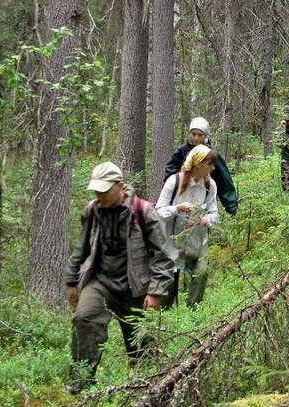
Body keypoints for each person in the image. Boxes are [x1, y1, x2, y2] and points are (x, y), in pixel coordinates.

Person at [65, 162, 175, 394]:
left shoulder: (144, 212)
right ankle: (82, 381)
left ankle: (146, 385)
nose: (99, 195)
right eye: (96, 190)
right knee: (84, 319)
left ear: (120, 186)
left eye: (104, 190)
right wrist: (71, 282)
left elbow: (163, 257)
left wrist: (155, 292)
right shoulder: (92, 211)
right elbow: (80, 249)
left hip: (136, 288)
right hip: (101, 283)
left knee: (141, 345)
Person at [156, 144, 219, 308]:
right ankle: (167, 319)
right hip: (172, 240)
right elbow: (159, 211)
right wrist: (178, 208)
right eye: (209, 164)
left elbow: (215, 214)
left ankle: (193, 314)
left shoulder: (210, 186)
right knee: (169, 284)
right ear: (199, 164)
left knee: (200, 274)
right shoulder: (174, 181)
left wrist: (207, 219)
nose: (212, 168)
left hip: (198, 240)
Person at [164, 117, 238, 216]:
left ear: (205, 136)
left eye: (200, 135)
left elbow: (224, 180)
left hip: (203, 197)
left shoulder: (211, 155)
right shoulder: (181, 151)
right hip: (181, 197)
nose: (196, 138)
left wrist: (231, 206)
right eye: (193, 134)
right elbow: (170, 174)